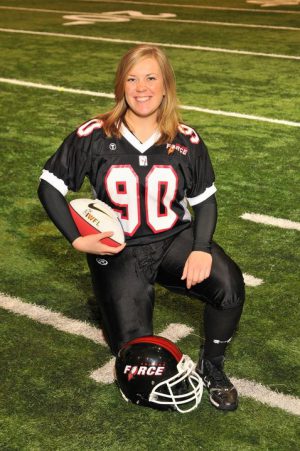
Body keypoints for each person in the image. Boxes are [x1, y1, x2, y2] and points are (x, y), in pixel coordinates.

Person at [38, 44, 245, 411]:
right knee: (135, 357)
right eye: (132, 78)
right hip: (119, 250)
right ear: (121, 85)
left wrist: (200, 247)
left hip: (172, 241)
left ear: (166, 85)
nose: (141, 87)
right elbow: (50, 187)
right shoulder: (94, 135)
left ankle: (212, 367)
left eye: (151, 77)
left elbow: (205, 202)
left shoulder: (185, 139)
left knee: (228, 284)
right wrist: (77, 239)